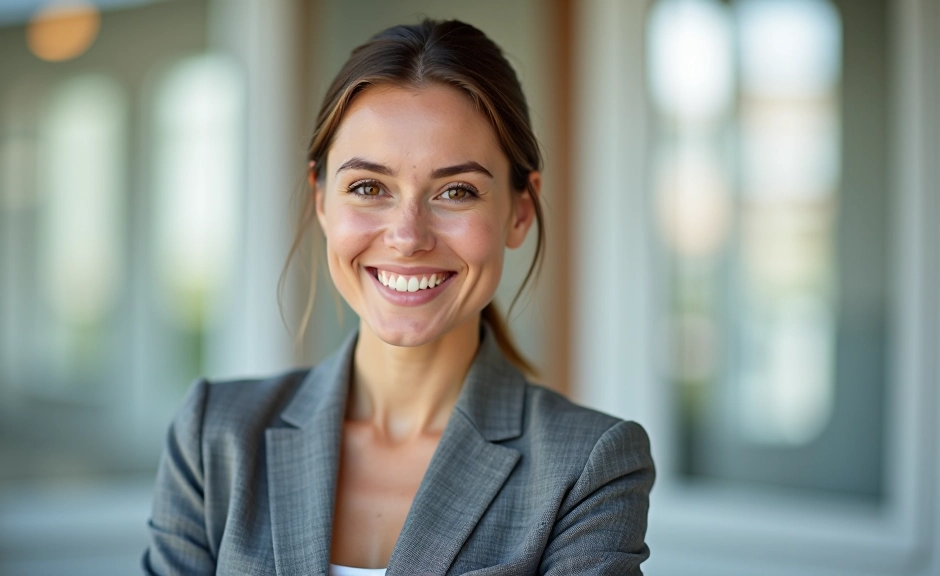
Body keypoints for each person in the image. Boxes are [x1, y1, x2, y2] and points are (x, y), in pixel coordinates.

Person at [143, 18, 654, 576]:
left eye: (457, 191)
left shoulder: (589, 467)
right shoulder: (214, 438)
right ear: (321, 200)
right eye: (368, 187)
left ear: (520, 211)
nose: (408, 236)